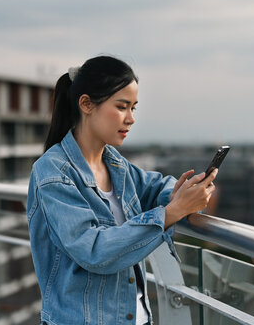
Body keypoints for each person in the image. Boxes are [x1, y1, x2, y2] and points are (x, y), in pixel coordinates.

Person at [27, 55, 217, 325]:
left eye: (134, 108)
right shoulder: (53, 172)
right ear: (86, 104)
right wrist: (172, 212)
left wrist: (186, 192)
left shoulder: (115, 164)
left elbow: (155, 188)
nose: (130, 119)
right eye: (121, 107)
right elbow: (95, 251)